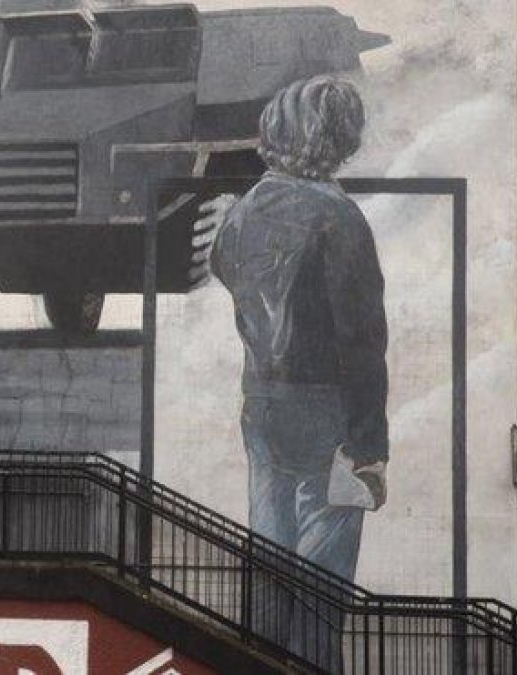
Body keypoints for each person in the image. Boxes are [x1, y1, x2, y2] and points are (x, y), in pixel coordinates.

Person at [209, 75, 388, 671]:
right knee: (321, 582)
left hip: (261, 401)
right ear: (342, 138)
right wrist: (369, 448)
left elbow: (224, 269)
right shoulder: (341, 219)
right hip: (328, 412)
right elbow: (362, 343)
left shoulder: (245, 210)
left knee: (269, 560)